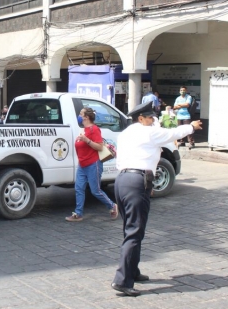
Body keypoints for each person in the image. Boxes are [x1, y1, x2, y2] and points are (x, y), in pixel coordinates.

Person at [111, 101, 202, 297]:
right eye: (150, 117)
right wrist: (191, 127)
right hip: (136, 181)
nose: (153, 120)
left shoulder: (126, 133)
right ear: (140, 118)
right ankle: (122, 280)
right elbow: (173, 134)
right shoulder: (148, 132)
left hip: (123, 180)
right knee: (134, 232)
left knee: (130, 229)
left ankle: (132, 272)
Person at [65, 107, 118, 222]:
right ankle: (78, 213)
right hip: (82, 165)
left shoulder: (94, 130)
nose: (79, 116)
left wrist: (86, 140)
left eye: (81, 113)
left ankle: (112, 206)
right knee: (79, 188)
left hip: (93, 164)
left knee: (95, 190)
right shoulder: (83, 130)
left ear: (86, 117)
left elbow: (99, 146)